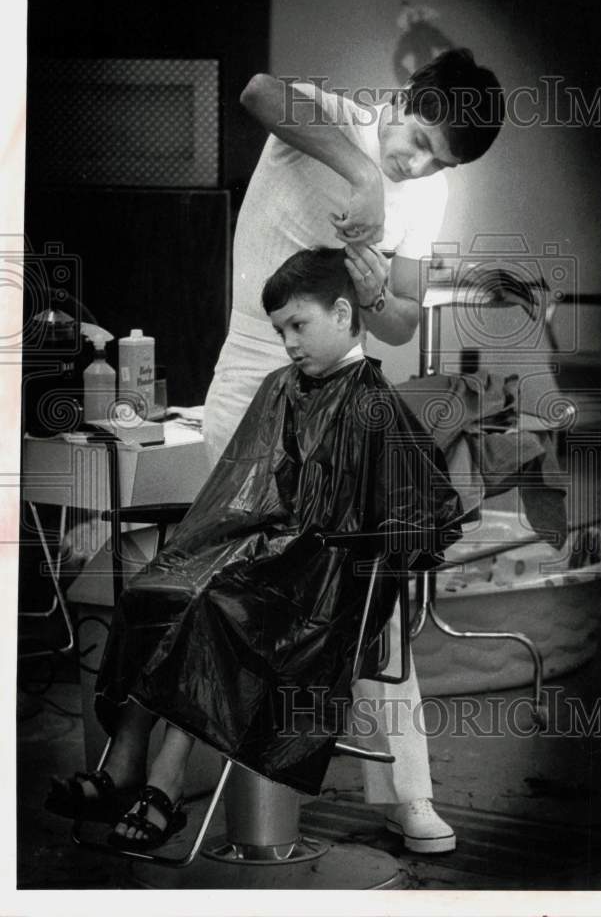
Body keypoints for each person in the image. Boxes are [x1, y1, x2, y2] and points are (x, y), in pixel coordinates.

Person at [46, 248, 462, 851]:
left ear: (344, 312)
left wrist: (347, 546)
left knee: (211, 607)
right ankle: (123, 767)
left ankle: (160, 789)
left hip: (323, 594)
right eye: (280, 331)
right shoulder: (280, 387)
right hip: (265, 565)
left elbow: (427, 511)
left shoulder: (374, 404)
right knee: (153, 590)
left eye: (300, 325)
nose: (289, 343)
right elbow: (242, 489)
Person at [202, 48, 503, 852]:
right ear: (402, 99)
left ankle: (407, 795)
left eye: (432, 158)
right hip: (248, 383)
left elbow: (402, 317)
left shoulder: (428, 193)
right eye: (414, 138)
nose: (414, 162)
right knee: (238, 587)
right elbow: (257, 90)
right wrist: (367, 177)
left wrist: (374, 290)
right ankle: (206, 792)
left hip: (339, 399)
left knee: (368, 594)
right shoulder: (334, 119)